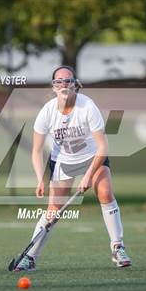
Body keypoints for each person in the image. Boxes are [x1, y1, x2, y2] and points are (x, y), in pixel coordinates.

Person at [14, 66, 131, 272]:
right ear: (53, 86)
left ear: (75, 84)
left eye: (68, 81)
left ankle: (117, 247)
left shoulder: (87, 106)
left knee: (104, 192)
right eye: (59, 81)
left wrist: (88, 175)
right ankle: (30, 258)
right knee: (53, 210)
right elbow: (36, 150)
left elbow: (103, 146)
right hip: (63, 161)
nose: (63, 85)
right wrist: (40, 179)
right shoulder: (47, 111)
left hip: (92, 158)